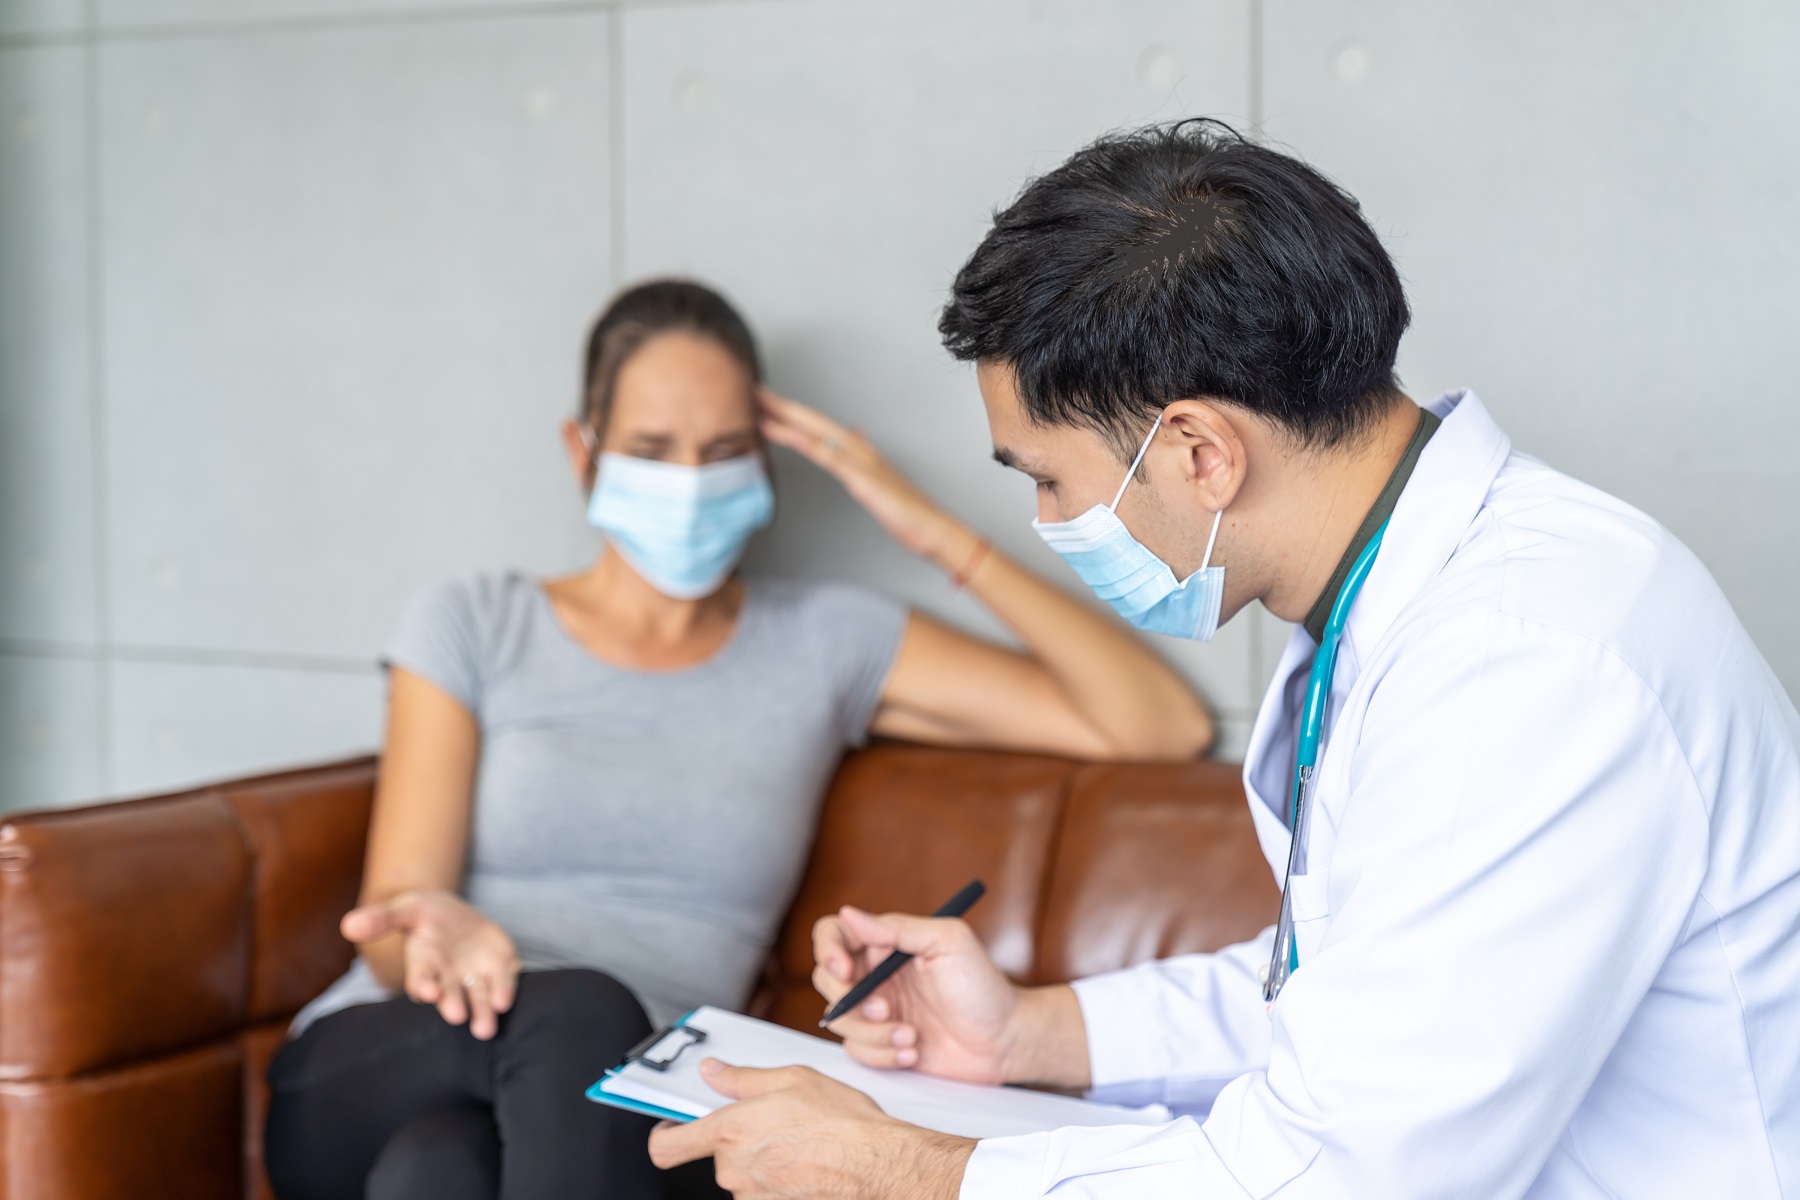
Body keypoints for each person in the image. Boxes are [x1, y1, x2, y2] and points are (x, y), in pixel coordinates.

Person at [646, 121, 1800, 1198]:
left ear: (1200, 450)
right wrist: (1025, 1034)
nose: (1050, 521)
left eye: (1048, 479)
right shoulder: (1401, 599)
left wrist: (908, 1170)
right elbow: (1349, 997)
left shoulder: (1526, 661)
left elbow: (1347, 1171)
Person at [261, 279, 1214, 1200]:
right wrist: (441, 932)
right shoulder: (475, 622)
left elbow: (1153, 722)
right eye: (651, 448)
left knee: (441, 1172)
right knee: (580, 1014)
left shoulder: (824, 641)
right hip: (391, 1053)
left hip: (647, 1103)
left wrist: (919, 522)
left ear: (764, 461)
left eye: (721, 451)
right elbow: (392, 924)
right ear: (582, 452)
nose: (688, 483)